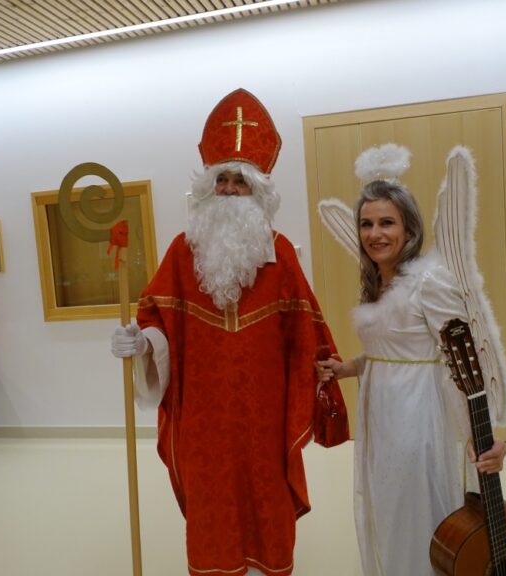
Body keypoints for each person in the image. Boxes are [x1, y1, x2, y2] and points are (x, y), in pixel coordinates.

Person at [110, 88, 342, 576]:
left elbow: (307, 337)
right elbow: (156, 320)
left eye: (242, 181)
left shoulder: (280, 256)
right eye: (223, 180)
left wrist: (317, 386)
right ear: (207, 187)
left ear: (259, 192)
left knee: (267, 505)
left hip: (266, 420)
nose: (232, 189)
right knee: (211, 510)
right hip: (203, 421)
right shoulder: (180, 252)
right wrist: (141, 343)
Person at [317, 167, 506, 576]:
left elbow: (464, 361)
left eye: (387, 222)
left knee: (414, 512)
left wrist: (484, 434)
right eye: (366, 224)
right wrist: (349, 367)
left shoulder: (430, 281)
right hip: (379, 414)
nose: (375, 234)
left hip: (415, 415)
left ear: (409, 228)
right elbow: (390, 351)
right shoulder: (375, 282)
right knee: (386, 507)